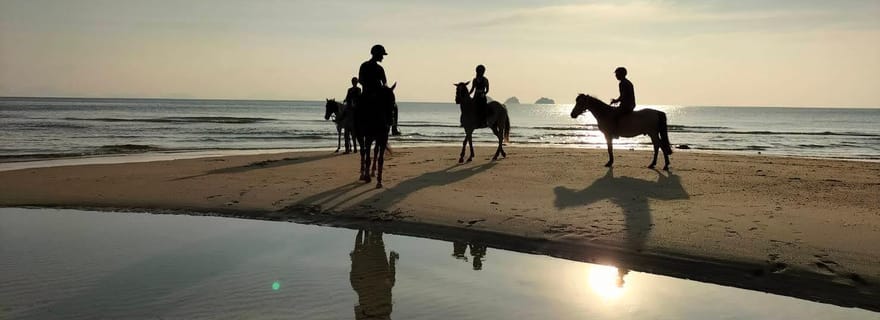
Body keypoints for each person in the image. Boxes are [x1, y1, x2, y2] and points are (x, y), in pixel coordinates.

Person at [609, 67, 635, 138]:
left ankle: (615, 132)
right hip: (630, 104)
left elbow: (623, 96)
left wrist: (615, 101)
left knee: (613, 115)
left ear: (621, 74)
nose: (616, 76)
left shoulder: (623, 83)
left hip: (627, 105)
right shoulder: (627, 82)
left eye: (617, 74)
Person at [341, 77, 360, 153]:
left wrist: (354, 102)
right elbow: (347, 96)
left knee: (353, 133)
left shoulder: (358, 89)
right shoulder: (349, 89)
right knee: (346, 133)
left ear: (357, 82)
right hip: (349, 106)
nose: (354, 83)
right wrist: (346, 99)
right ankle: (347, 149)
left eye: (355, 81)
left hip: (355, 107)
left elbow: (358, 97)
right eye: (353, 81)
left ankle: (355, 148)